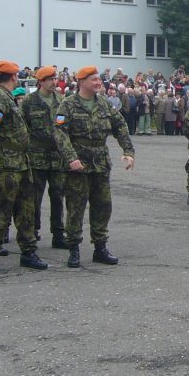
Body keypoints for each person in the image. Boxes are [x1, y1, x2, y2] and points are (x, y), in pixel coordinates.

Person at [54, 66, 135, 268]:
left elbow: (120, 126)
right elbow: (60, 133)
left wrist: (128, 151)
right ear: (81, 82)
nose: (98, 83)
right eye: (93, 80)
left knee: (102, 206)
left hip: (100, 164)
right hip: (77, 165)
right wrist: (71, 157)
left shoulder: (105, 104)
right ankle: (73, 248)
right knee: (75, 208)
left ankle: (100, 247)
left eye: (99, 80)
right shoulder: (68, 105)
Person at [0, 60, 47, 273]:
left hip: (20, 162)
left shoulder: (6, 97)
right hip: (5, 163)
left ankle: (28, 251)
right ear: (14, 77)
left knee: (26, 208)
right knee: (0, 208)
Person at [21, 65, 67, 249]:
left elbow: (65, 126)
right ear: (41, 82)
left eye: (55, 78)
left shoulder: (61, 100)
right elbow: (23, 127)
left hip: (57, 156)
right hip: (37, 156)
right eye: (49, 79)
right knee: (34, 198)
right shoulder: (29, 101)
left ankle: (58, 233)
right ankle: (33, 231)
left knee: (58, 196)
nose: (53, 82)